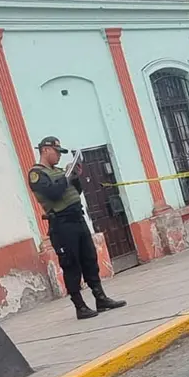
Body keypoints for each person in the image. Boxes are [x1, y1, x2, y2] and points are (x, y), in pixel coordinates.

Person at [27, 137, 127, 320]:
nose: (58, 156)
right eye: (56, 152)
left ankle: (100, 298)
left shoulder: (58, 172)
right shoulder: (36, 174)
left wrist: (75, 177)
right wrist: (66, 177)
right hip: (62, 224)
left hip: (77, 219)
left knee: (89, 258)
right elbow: (54, 193)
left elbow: (74, 192)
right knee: (71, 264)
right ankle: (80, 306)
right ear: (45, 150)